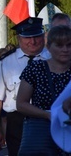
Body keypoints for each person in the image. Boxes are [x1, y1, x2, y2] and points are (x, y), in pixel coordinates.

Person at [0, 17, 50, 155]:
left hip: (47, 121)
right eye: (27, 37)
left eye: (36, 36)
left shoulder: (53, 58)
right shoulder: (6, 63)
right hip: (18, 123)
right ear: (19, 38)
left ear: (43, 36)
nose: (32, 41)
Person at [16, 25, 71, 155]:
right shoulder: (35, 69)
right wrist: (48, 115)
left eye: (69, 45)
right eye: (59, 45)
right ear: (49, 47)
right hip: (41, 134)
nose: (65, 49)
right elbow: (21, 104)